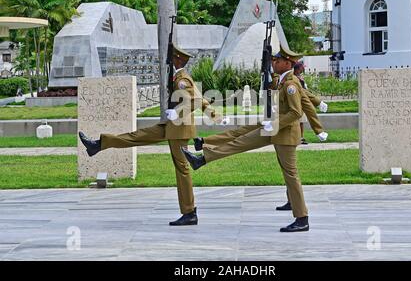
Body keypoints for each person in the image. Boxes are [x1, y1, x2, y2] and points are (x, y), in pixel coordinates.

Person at [79, 45, 223, 226]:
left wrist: (177, 112)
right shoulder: (180, 76)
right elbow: (200, 98)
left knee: (182, 170)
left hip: (179, 130)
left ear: (178, 59)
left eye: (171, 57)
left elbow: (193, 101)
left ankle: (189, 212)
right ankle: (98, 145)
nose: (167, 59)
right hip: (172, 127)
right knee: (137, 136)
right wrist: (215, 116)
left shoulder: (182, 78)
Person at [182, 45, 312, 233]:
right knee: (240, 140)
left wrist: (275, 124)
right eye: (273, 60)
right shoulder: (283, 80)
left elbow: (295, 112)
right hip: (274, 129)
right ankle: (202, 157)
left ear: (287, 63)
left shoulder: (291, 85)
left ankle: (302, 218)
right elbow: (272, 90)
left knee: (291, 175)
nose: (274, 63)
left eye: (277, 60)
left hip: (283, 134)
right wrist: (265, 68)